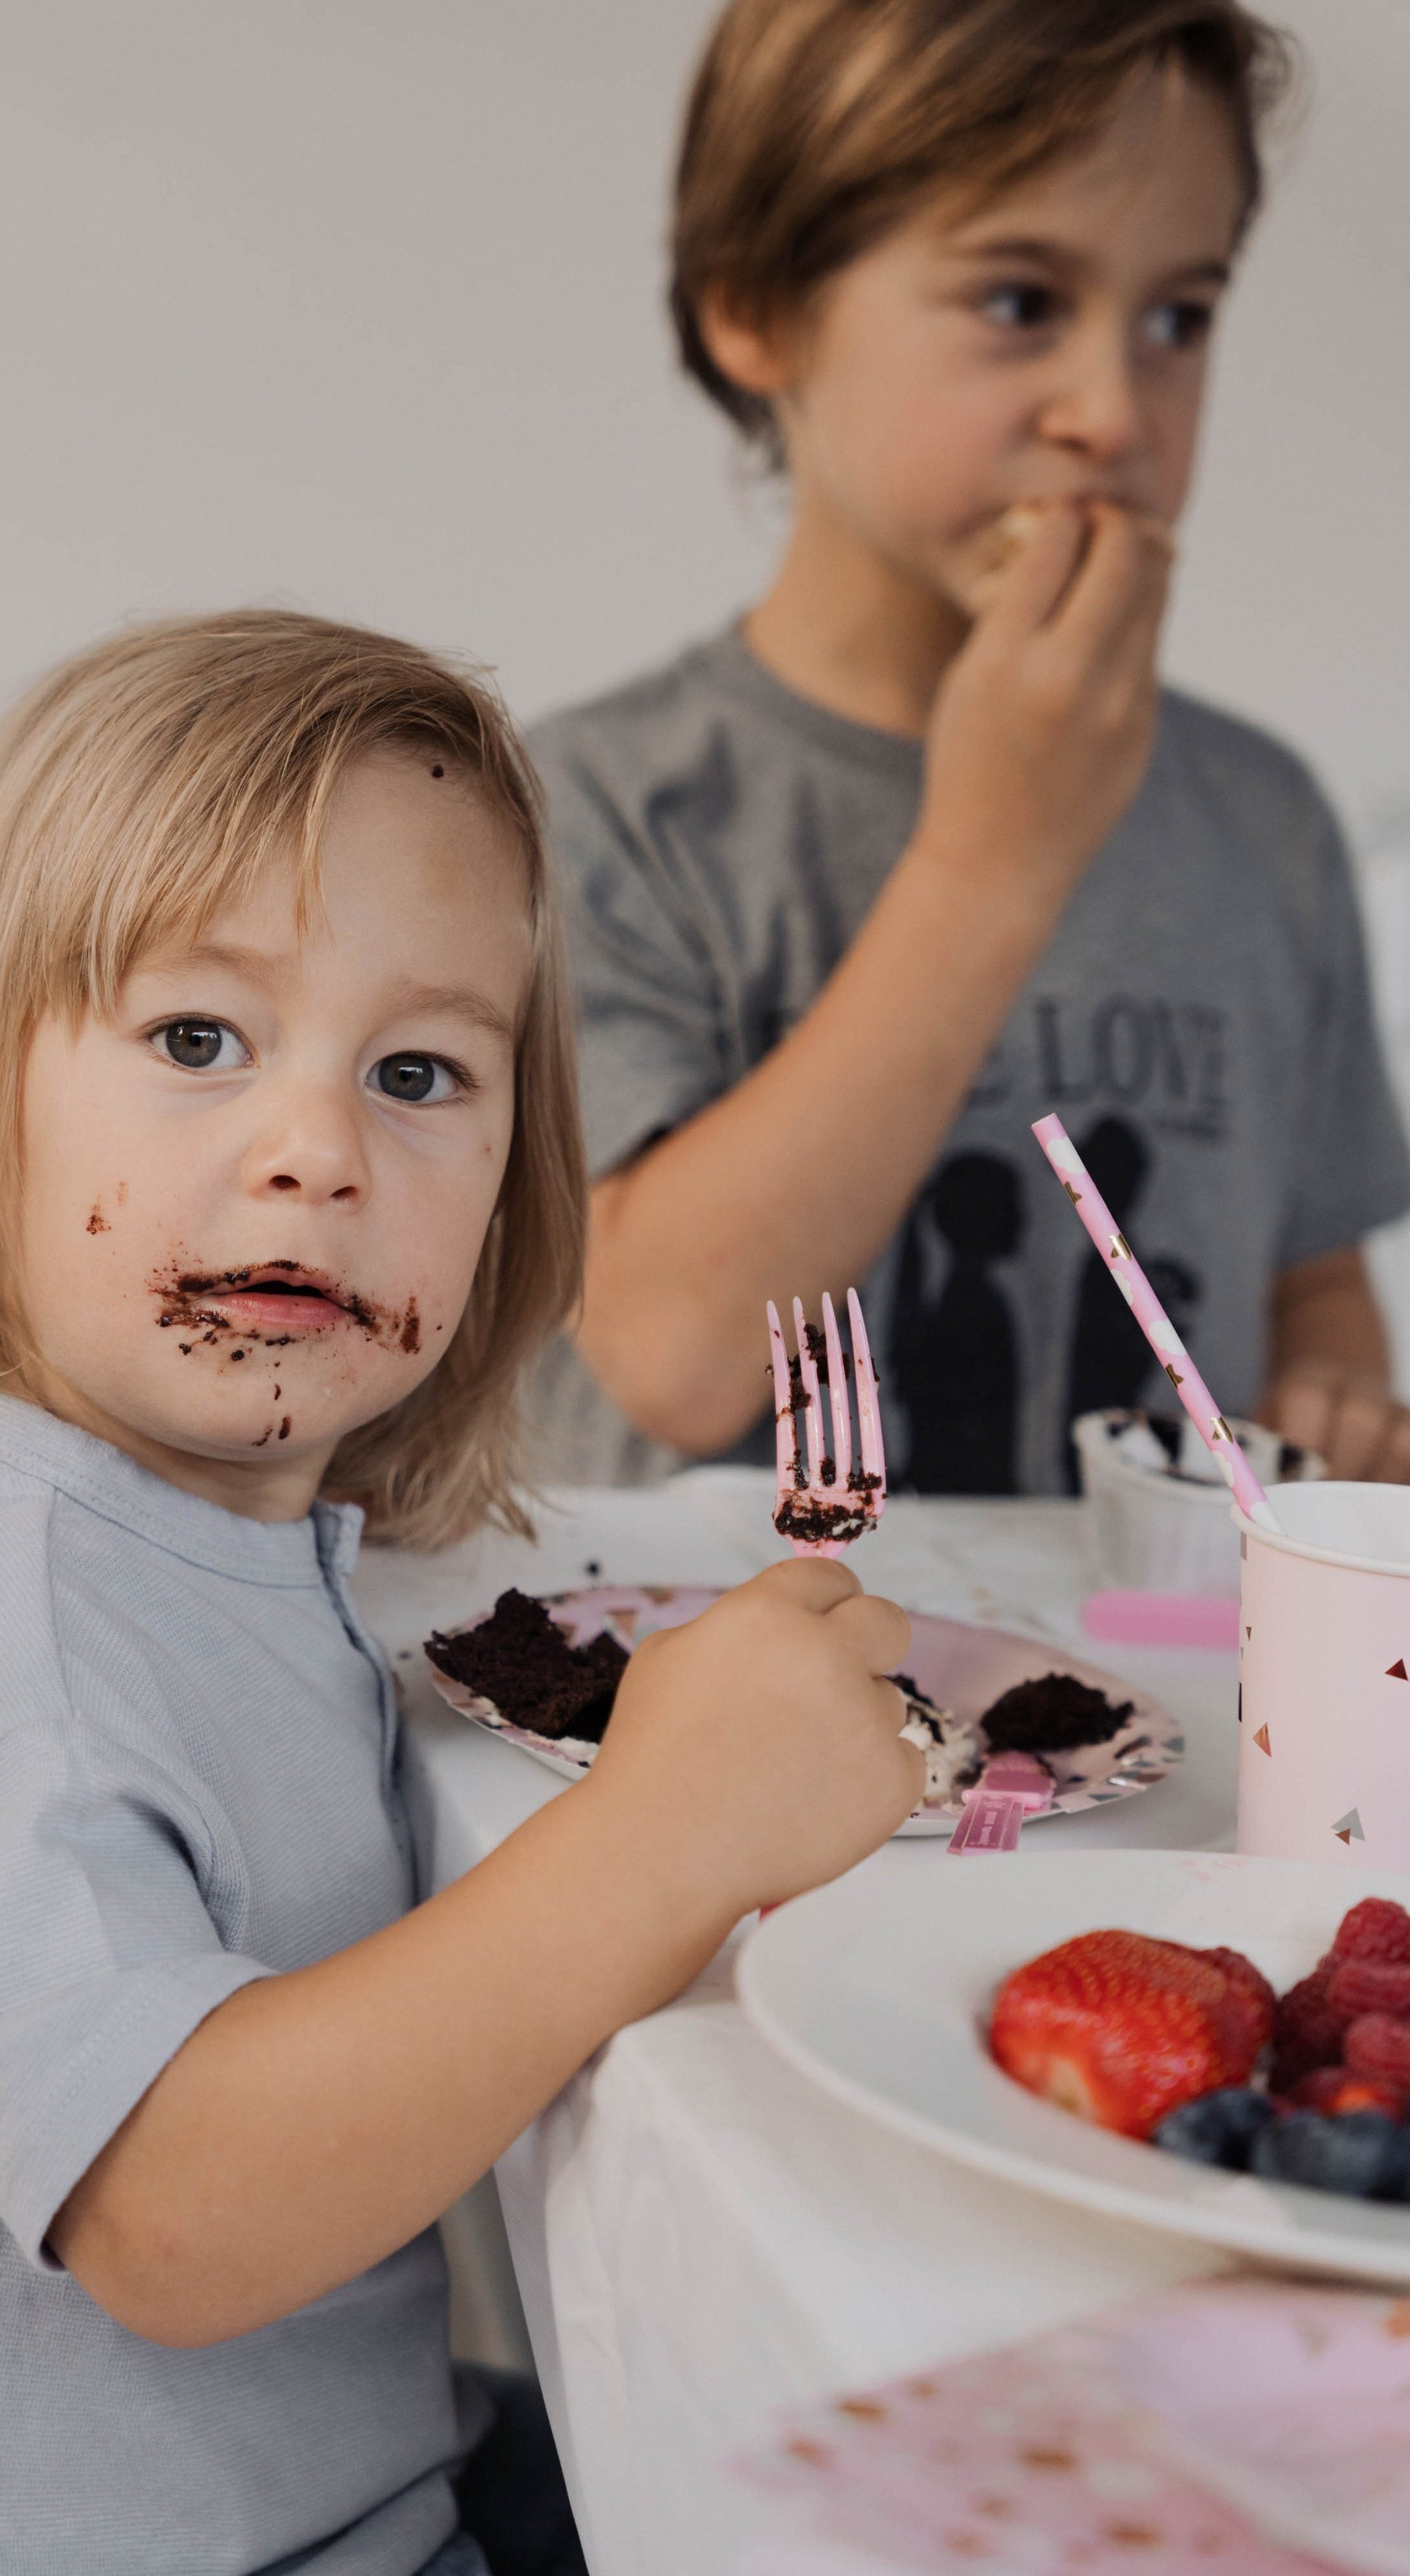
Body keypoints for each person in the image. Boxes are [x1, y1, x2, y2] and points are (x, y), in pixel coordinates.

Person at [0, 612, 926, 2576]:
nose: (319, 1151)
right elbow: (177, 2215)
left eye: (417, 1071)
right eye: (199, 1041)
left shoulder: (217, 1538)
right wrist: (667, 1835)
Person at [529, 0, 1410, 1493]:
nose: (1112, 413)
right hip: (723, 1641)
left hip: (1141, 1642)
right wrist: (996, 858)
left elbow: (1308, 1282)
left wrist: (1342, 1402)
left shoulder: (1264, 820)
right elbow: (676, 1356)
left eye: (1176, 318)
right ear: (759, 309)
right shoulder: (593, 814)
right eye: (1018, 300)